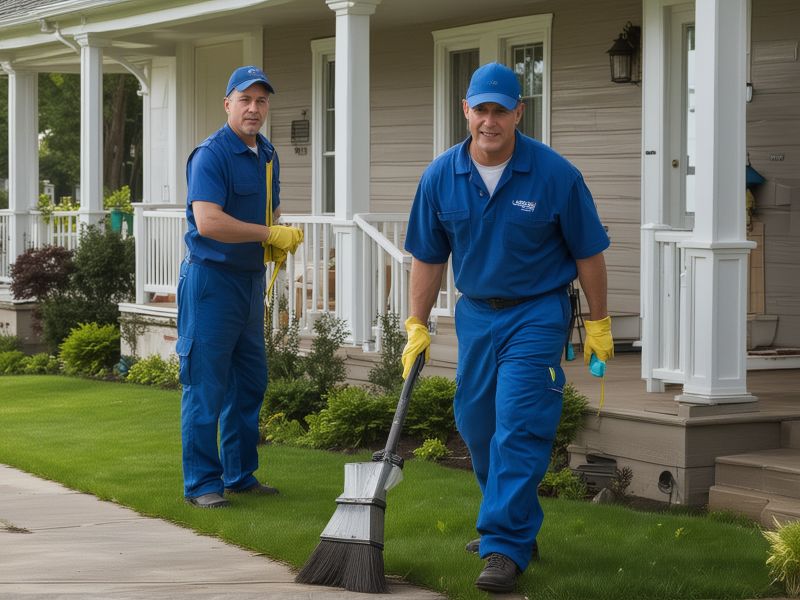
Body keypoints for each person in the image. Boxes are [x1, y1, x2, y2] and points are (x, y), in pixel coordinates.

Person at [401, 62, 613, 593]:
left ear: (520, 112)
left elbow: (589, 254)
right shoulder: (440, 177)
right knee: (476, 424)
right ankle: (513, 518)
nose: (489, 121)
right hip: (476, 314)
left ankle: (504, 544)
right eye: (481, 109)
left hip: (537, 313)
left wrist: (599, 323)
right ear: (465, 111)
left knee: (519, 423)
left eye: (501, 110)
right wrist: (416, 324)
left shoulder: (556, 175)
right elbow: (428, 257)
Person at [177, 65, 304, 509]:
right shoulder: (210, 155)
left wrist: (282, 232)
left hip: (249, 282)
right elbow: (209, 222)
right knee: (205, 385)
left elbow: (271, 209)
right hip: (210, 283)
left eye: (261, 100)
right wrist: (268, 234)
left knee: (249, 383)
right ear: (227, 104)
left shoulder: (266, 153)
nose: (254, 108)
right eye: (245, 100)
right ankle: (202, 485)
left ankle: (239, 475)